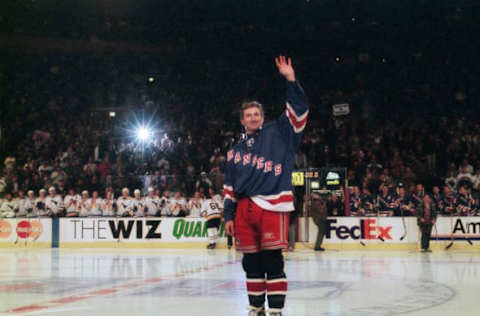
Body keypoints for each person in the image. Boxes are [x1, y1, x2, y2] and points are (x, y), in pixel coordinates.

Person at [224, 55, 308, 316]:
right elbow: (229, 187)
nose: (253, 118)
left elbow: (299, 111)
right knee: (250, 263)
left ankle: (276, 311)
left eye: (256, 114)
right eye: (248, 115)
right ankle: (256, 307)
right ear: (242, 120)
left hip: (272, 205)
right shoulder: (234, 152)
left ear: (263, 116)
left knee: (273, 260)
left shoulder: (280, 133)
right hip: (243, 210)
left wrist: (290, 79)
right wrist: (228, 215)